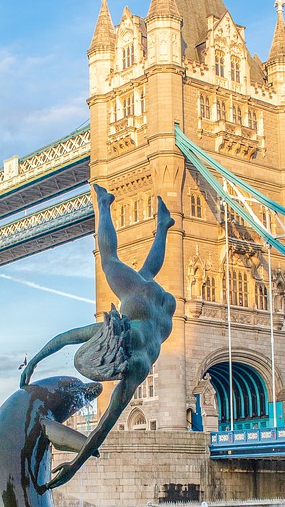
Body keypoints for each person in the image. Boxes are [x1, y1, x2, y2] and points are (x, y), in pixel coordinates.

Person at [20, 183, 176, 489]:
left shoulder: (137, 366)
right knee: (125, 266)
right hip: (146, 302)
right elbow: (67, 337)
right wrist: (34, 361)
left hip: (164, 311)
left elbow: (102, 429)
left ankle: (127, 212)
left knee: (123, 264)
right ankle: (121, 210)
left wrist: (74, 467)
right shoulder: (119, 335)